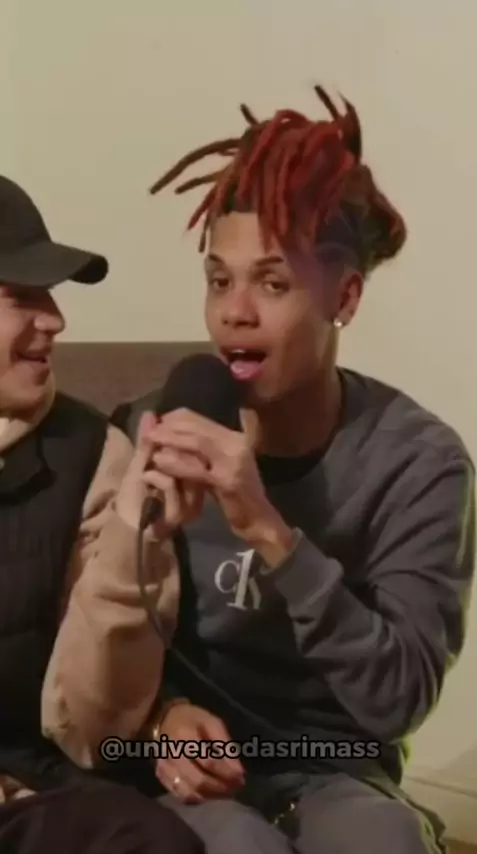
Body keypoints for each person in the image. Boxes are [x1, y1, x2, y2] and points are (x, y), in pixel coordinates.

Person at [42, 87, 476, 854]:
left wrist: (268, 529)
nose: (234, 312)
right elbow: (85, 657)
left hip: (337, 770)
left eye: (272, 284)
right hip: (181, 766)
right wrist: (160, 716)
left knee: (382, 841)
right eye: (219, 280)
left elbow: (398, 700)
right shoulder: (149, 430)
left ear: (344, 296)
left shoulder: (419, 464)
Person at [0, 175, 203, 852]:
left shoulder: (95, 454)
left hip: (32, 789)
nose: (55, 320)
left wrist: (130, 541)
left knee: (153, 841)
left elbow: (90, 729)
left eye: (51, 296)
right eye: (22, 296)